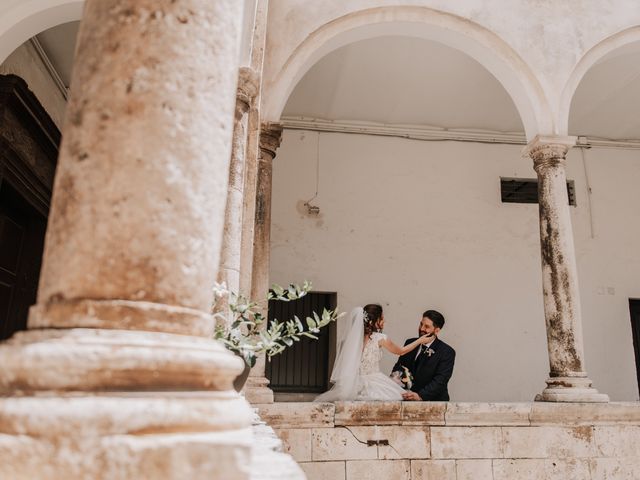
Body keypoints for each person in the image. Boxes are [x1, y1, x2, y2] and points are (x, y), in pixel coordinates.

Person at [314, 304, 432, 401]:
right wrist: (420, 340)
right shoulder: (379, 338)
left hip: (353, 385)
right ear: (374, 321)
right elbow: (401, 351)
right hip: (375, 383)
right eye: (382, 318)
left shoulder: (349, 341)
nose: (384, 320)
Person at [392, 310, 455, 401]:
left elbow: (440, 380)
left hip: (433, 403)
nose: (421, 329)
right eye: (421, 324)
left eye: (427, 326)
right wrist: (396, 387)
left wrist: (420, 396)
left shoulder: (447, 352)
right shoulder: (410, 343)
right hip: (406, 399)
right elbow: (399, 367)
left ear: (436, 330)